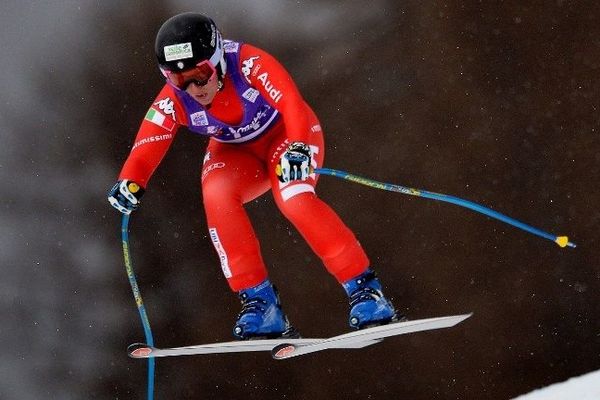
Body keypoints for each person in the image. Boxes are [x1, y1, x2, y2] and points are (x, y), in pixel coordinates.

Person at [108, 12, 400, 339]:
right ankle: (262, 305)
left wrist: (299, 148)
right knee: (216, 193)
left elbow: (291, 101)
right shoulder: (174, 99)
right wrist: (131, 182)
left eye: (200, 75)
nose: (193, 88)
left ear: (217, 60)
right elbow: (148, 143)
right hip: (236, 152)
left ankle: (365, 291)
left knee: (294, 198)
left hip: (287, 136)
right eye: (179, 80)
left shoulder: (246, 63)